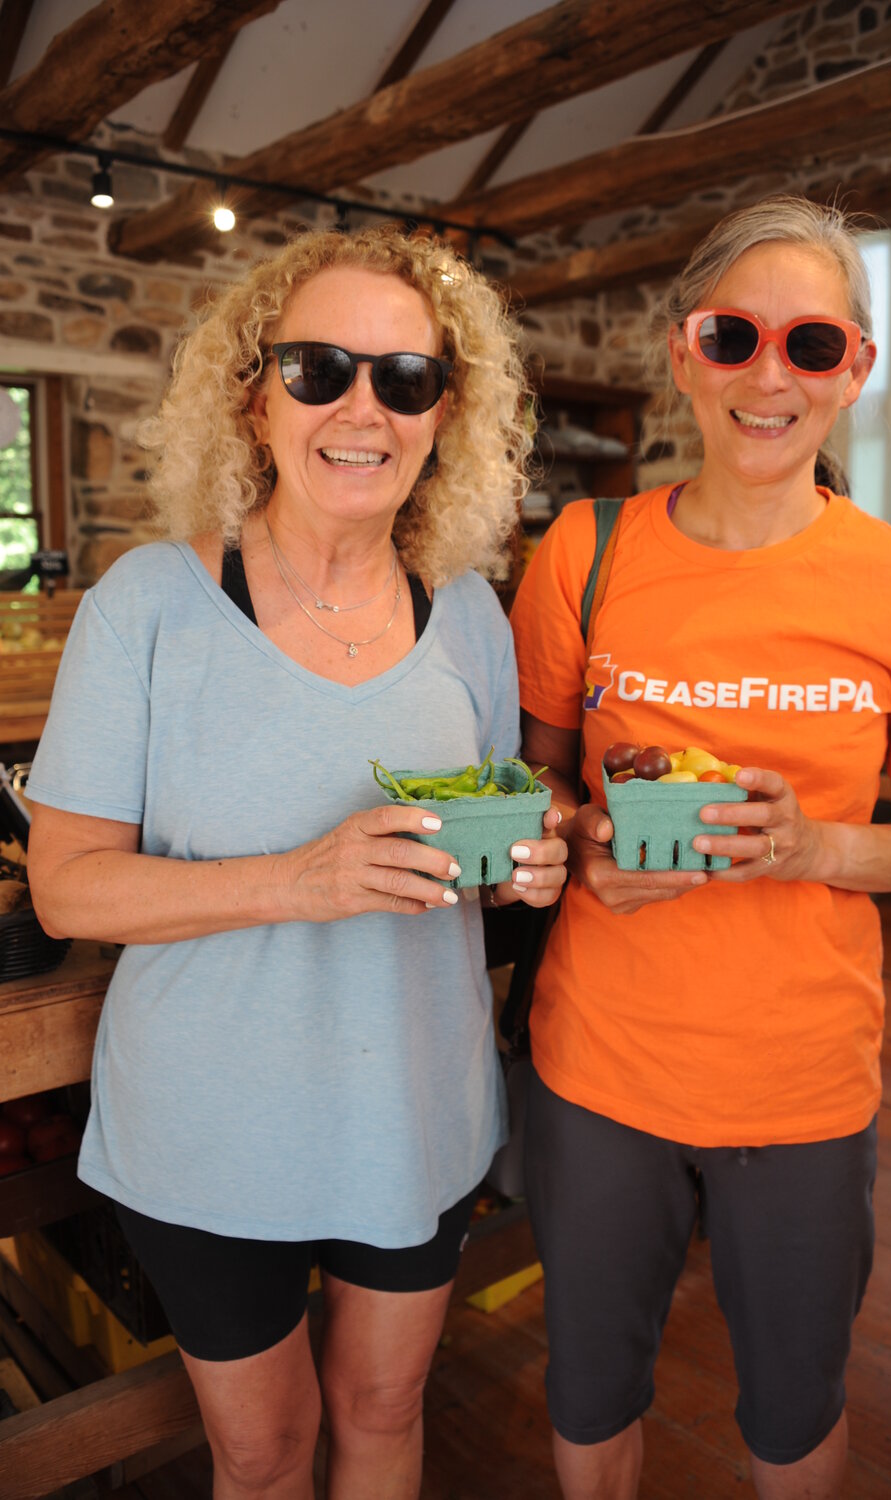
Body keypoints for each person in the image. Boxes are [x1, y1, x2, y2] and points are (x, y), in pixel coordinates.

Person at [26, 222, 566, 1500]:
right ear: (253, 394)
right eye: (318, 369)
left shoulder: (471, 613)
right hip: (207, 1125)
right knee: (261, 1453)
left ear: (446, 413)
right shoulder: (147, 604)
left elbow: (484, 836)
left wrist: (522, 860)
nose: (360, 407)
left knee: (382, 1409)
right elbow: (67, 884)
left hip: (414, 1112)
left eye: (405, 377)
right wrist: (298, 879)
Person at [509, 195, 891, 1500]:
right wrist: (584, 839)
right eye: (732, 338)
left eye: (810, 345)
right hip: (597, 1070)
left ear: (855, 370)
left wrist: (813, 847)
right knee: (589, 1392)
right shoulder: (583, 553)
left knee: (791, 1412)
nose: (767, 376)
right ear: (684, 355)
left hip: (801, 1088)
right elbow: (537, 783)